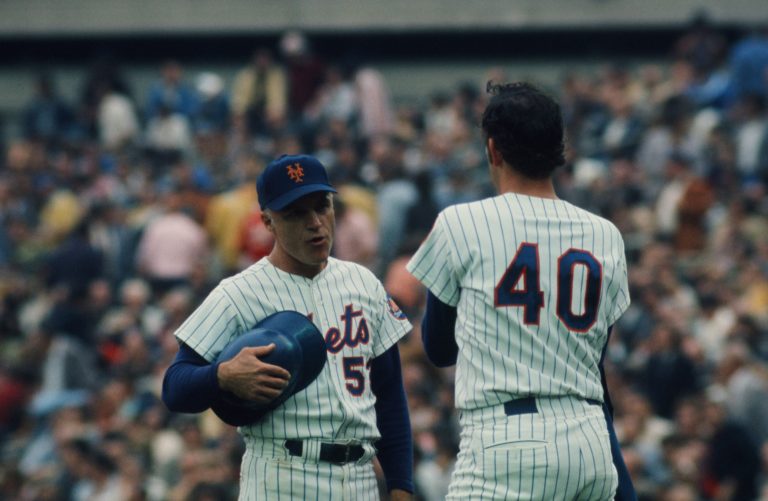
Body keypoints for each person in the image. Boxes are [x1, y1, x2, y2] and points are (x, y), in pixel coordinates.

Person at [407, 82, 636, 500]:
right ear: (558, 148)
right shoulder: (606, 235)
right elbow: (596, 362)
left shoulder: (462, 222)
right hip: (590, 439)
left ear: (493, 149)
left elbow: (438, 349)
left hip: (508, 439)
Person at [162, 154, 414, 500]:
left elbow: (388, 393)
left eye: (322, 206)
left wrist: (401, 486)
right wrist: (221, 375)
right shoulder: (238, 293)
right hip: (282, 474)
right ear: (268, 222)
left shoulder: (364, 283)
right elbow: (174, 387)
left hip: (359, 478)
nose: (315, 223)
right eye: (296, 213)